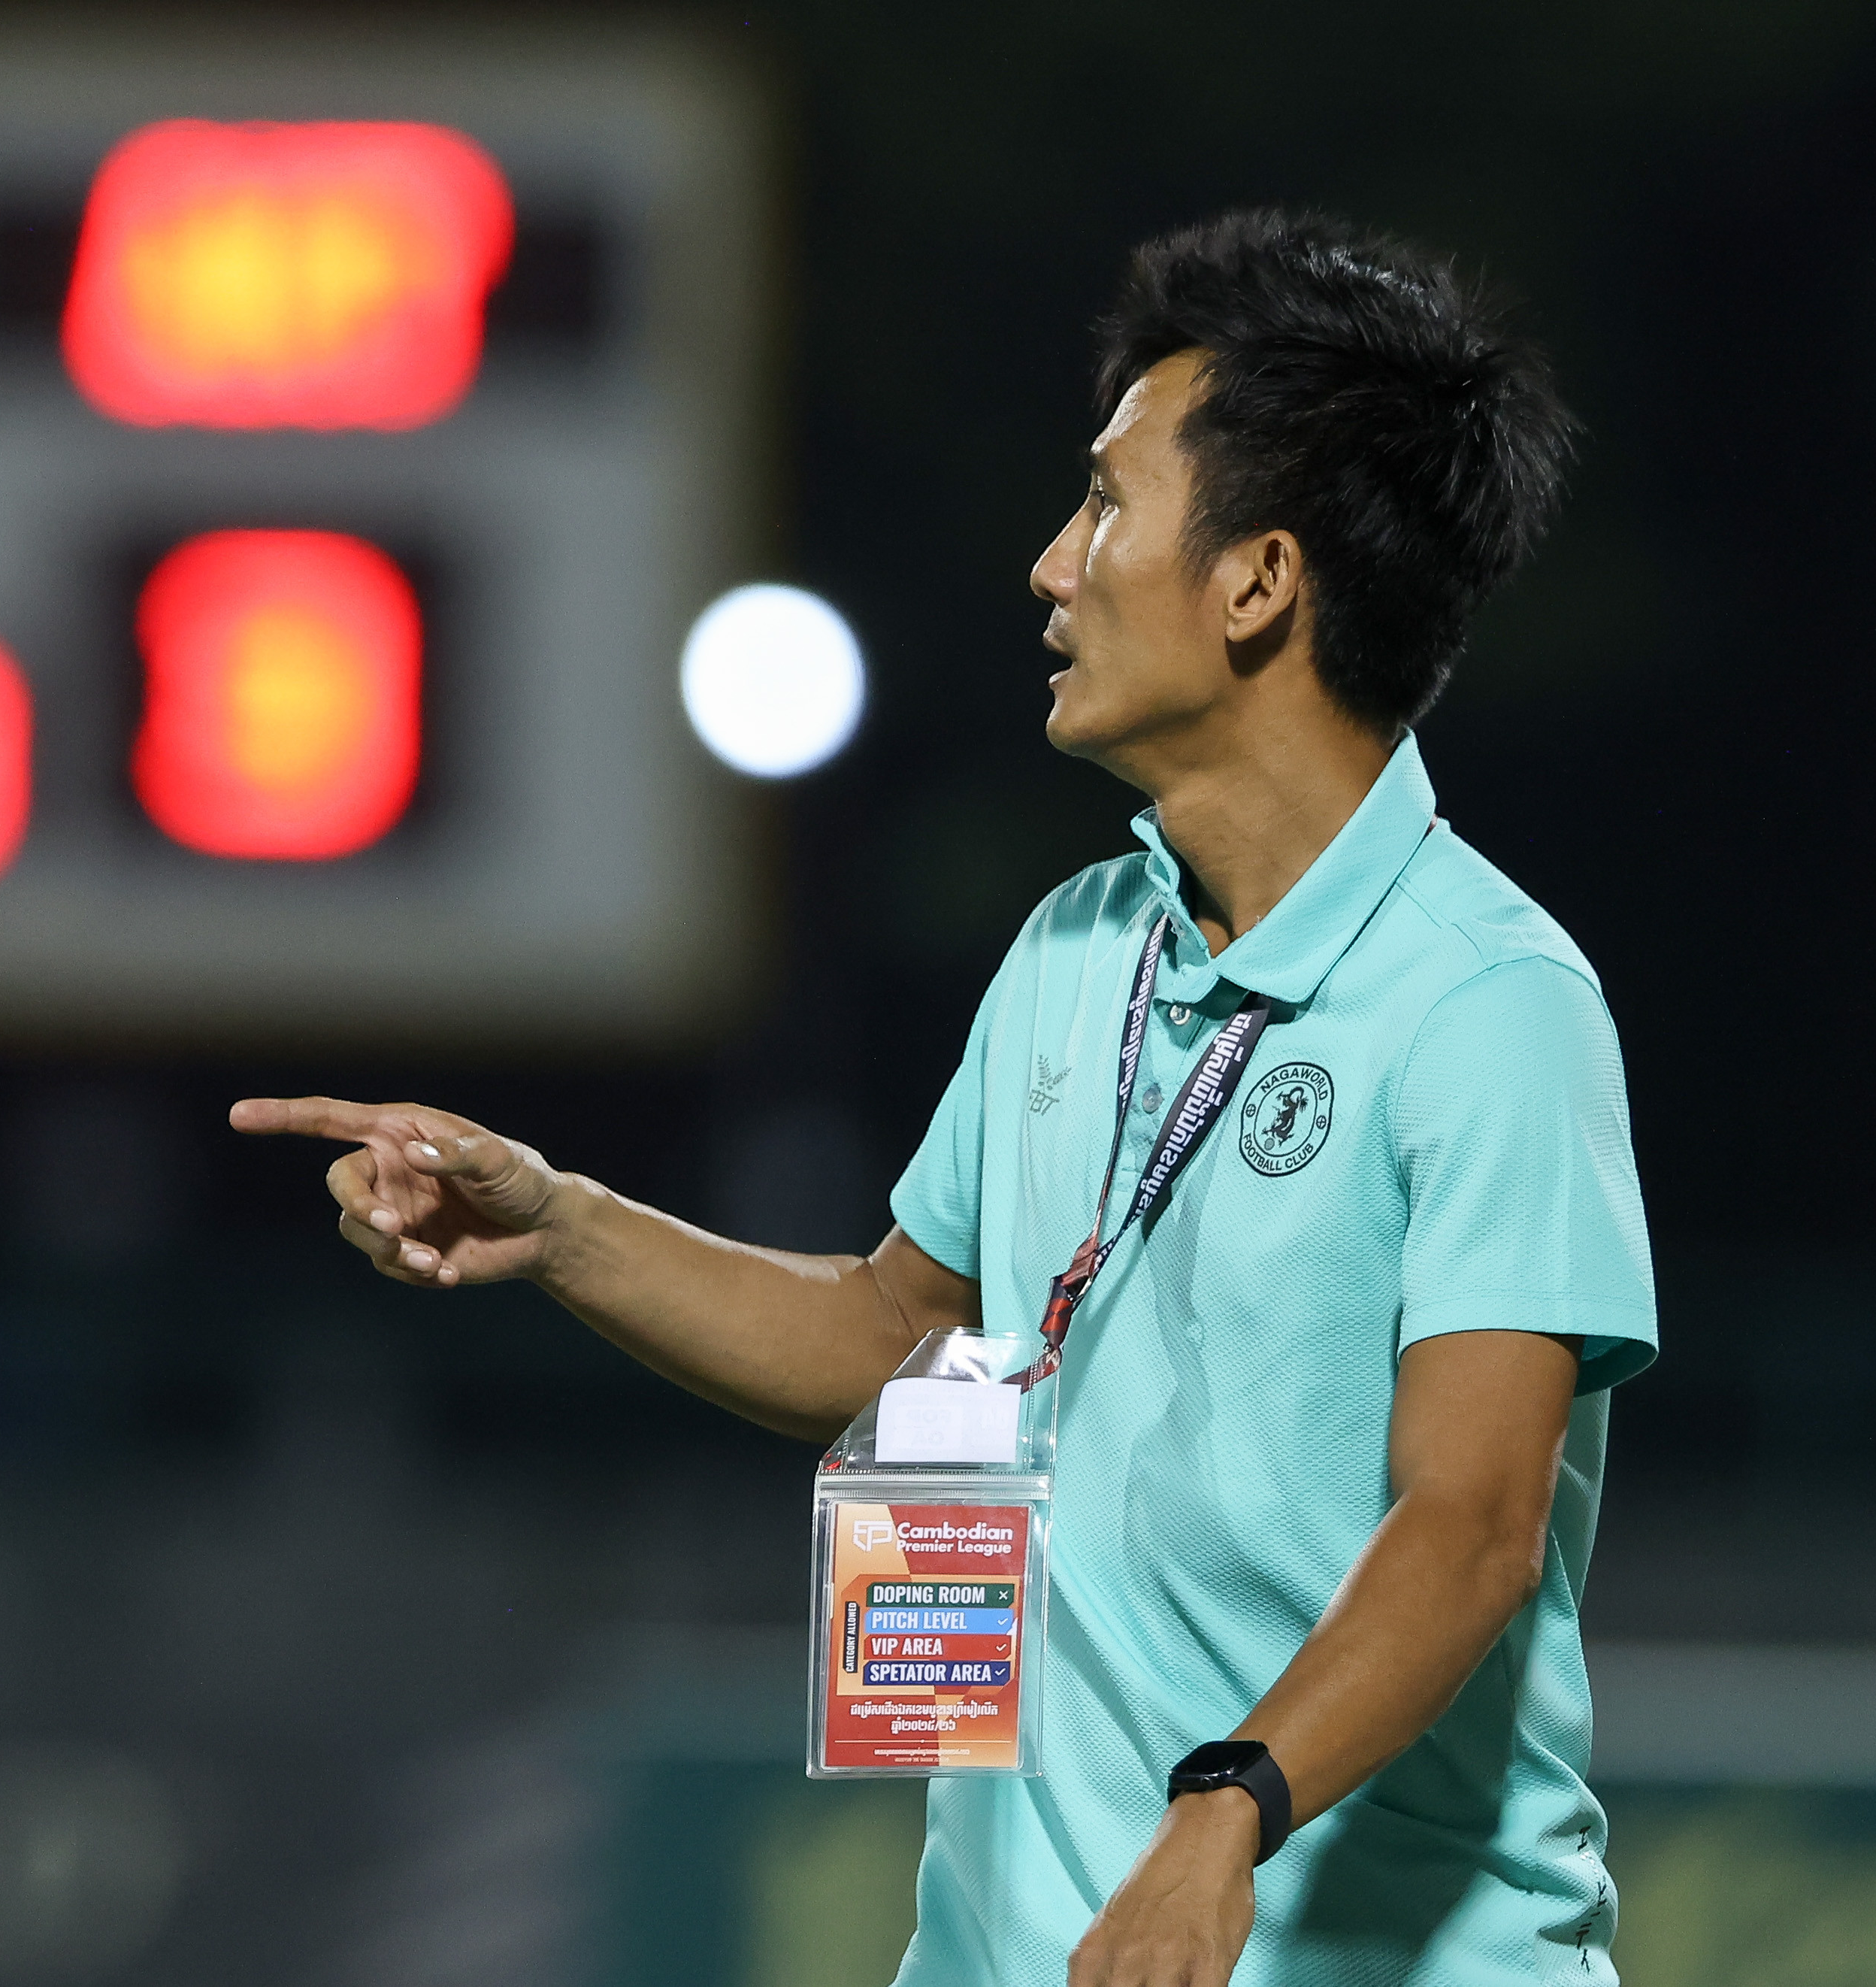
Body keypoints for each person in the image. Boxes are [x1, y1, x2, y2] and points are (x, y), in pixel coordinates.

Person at [232, 207, 1654, 1987]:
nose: (1051, 566)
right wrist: (560, 1223)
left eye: (1106, 504)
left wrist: (1223, 1811)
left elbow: (1471, 1521)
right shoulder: (1074, 947)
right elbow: (898, 1334)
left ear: (1257, 581)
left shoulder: (1487, 1002)